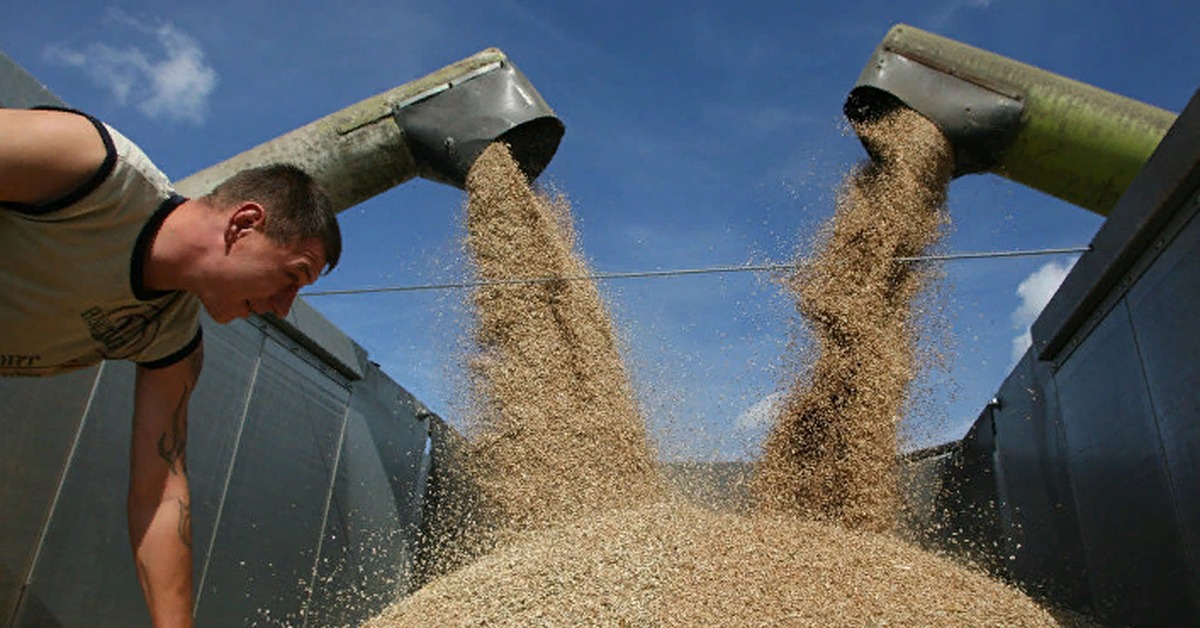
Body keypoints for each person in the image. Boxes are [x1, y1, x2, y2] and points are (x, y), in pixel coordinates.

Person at [0, 107, 342, 627]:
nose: (283, 306)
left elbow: (160, 493)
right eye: (292, 276)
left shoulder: (172, 339)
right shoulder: (90, 169)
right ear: (245, 224)